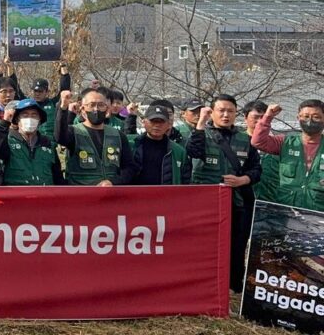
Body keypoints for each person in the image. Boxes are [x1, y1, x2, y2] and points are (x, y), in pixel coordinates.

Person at [187, 94, 260, 292]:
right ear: (212, 112)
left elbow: (256, 170)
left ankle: (234, 287)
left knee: (236, 247)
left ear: (236, 114)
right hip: (206, 205)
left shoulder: (245, 140)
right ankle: (202, 286)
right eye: (221, 111)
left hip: (237, 204)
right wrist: (201, 123)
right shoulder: (201, 134)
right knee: (205, 246)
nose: (226, 115)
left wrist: (243, 180)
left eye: (230, 111)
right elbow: (192, 151)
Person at [55, 87, 138, 186]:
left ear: (107, 109)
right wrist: (63, 108)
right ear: (83, 109)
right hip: (81, 192)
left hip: (110, 192)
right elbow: (59, 136)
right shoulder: (73, 132)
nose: (96, 109)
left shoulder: (118, 136)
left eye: (101, 105)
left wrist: (113, 182)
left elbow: (130, 168)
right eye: (92, 105)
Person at [252, 100, 324, 210]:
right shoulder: (285, 142)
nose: (310, 121)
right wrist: (267, 117)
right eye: (306, 116)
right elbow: (258, 142)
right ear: (298, 118)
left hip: (318, 212)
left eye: (316, 117)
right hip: (288, 211)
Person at [0, 99, 63, 186]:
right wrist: (5, 122)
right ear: (17, 120)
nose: (30, 118)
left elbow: (58, 179)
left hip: (44, 193)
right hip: (16, 194)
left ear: (40, 120)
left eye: (34, 115)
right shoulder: (8, 142)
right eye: (25, 115)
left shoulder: (48, 144)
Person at [129, 100, 190, 185]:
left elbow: (185, 181)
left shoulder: (179, 152)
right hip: (135, 192)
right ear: (144, 122)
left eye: (161, 121)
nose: (157, 125)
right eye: (153, 121)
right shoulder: (131, 145)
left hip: (167, 193)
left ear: (168, 124)